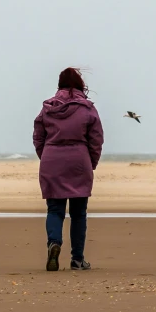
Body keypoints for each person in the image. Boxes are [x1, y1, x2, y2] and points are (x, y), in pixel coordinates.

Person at [33, 67, 104, 271]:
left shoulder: (47, 108)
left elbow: (38, 136)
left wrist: (46, 155)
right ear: (81, 84)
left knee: (55, 209)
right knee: (78, 212)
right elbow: (96, 139)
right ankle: (77, 259)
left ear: (59, 85)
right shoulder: (87, 108)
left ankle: (54, 243)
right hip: (79, 160)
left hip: (52, 159)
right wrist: (91, 163)